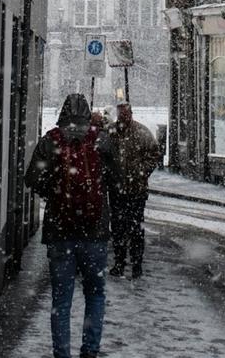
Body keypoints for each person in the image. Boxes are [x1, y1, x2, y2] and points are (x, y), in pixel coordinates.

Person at [25, 94, 111, 358]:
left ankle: (62, 354)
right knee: (95, 295)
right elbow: (117, 178)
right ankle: (90, 351)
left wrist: (56, 192)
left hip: (60, 231)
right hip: (95, 233)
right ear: (88, 114)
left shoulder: (51, 141)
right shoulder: (101, 140)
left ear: (62, 113)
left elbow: (32, 179)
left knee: (61, 301)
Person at [107, 103, 159, 278]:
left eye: (126, 114)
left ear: (131, 114)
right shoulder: (110, 132)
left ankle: (136, 264)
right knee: (118, 229)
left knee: (135, 229)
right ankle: (120, 262)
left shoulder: (142, 132)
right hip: (117, 191)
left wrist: (141, 172)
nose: (124, 117)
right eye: (121, 114)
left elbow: (153, 155)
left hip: (136, 191)